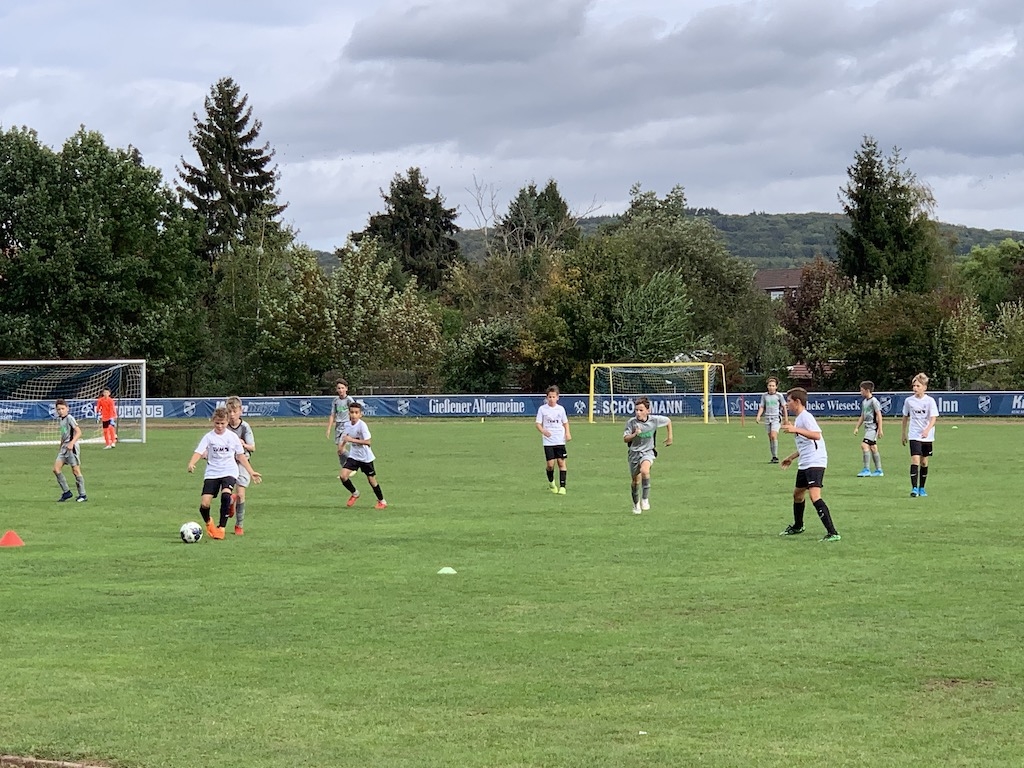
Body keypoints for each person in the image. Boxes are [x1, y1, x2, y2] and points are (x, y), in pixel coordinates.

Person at [187, 406, 262, 540]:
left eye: (223, 423)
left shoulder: (232, 437)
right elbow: (199, 451)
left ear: (227, 422)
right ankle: (209, 522)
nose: (220, 426)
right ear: (213, 421)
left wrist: (251, 472)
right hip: (212, 472)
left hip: (229, 471)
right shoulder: (209, 437)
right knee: (204, 504)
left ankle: (221, 528)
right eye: (217, 423)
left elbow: (240, 456)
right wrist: (192, 463)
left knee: (226, 495)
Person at [779, 388, 840, 542]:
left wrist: (794, 429)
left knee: (814, 496)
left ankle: (833, 533)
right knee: (798, 495)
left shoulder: (806, 417)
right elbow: (805, 445)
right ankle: (798, 526)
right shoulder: (799, 419)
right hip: (805, 462)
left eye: (789, 401)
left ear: (797, 402)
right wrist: (791, 458)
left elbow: (816, 435)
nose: (787, 404)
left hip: (815, 461)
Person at [622, 396, 673, 514]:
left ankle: (645, 499)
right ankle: (636, 504)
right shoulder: (631, 422)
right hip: (634, 453)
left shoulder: (654, 420)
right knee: (635, 482)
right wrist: (634, 434)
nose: (638, 413)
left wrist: (670, 437)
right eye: (636, 410)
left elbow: (668, 421)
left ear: (648, 411)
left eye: (641, 410)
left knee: (645, 471)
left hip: (648, 452)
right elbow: (625, 439)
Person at [339, 401, 388, 509]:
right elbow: (346, 436)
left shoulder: (362, 426)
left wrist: (352, 440)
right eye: (352, 412)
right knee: (343, 476)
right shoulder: (347, 425)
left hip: (366, 458)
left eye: (356, 412)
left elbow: (368, 442)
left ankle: (382, 501)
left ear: (360, 414)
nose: (354, 415)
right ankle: (355, 493)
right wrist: (341, 447)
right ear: (349, 413)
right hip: (354, 456)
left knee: (371, 480)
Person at [901, 372, 939, 498]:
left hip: (927, 436)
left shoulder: (930, 401)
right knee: (915, 459)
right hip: (914, 434)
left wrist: (927, 430)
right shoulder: (909, 401)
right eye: (914, 386)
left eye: (918, 386)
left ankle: (922, 487)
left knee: (924, 462)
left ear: (924, 387)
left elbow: (933, 418)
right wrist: (903, 433)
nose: (915, 388)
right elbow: (905, 417)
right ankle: (914, 488)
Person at [225, 396, 255, 536]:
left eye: (234, 411)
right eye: (229, 412)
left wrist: (243, 444)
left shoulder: (244, 427)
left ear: (240, 411)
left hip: (243, 461)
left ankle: (239, 525)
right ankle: (231, 501)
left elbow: (252, 447)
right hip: (227, 462)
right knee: (226, 494)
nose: (232, 415)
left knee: (241, 494)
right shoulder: (224, 426)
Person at [535, 385, 572, 494]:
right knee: (550, 465)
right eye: (550, 397)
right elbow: (538, 424)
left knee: (561, 462)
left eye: (553, 397)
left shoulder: (560, 409)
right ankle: (551, 482)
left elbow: (565, 422)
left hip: (559, 439)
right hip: (548, 441)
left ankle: (562, 487)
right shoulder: (542, 409)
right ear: (547, 398)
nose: (551, 399)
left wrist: (567, 433)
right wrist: (543, 431)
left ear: (557, 397)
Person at [54, 398, 87, 502]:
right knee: (56, 469)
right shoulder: (61, 420)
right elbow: (64, 434)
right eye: (58, 409)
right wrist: (61, 446)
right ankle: (67, 492)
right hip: (64, 448)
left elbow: (79, 432)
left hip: (72, 448)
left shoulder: (70, 418)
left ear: (67, 408)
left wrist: (72, 443)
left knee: (75, 470)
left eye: (62, 409)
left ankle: (83, 494)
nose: (61, 411)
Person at [853, 380, 884, 477]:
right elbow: (862, 416)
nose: (860, 392)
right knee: (873, 448)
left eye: (862, 390)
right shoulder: (864, 402)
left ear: (867, 390)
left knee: (864, 445)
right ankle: (879, 470)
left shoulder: (874, 401)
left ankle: (866, 469)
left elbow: (879, 415)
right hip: (867, 428)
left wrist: (880, 429)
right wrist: (857, 427)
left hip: (873, 427)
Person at [755, 377, 788, 463]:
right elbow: (762, 406)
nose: (771, 387)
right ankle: (773, 456)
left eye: (773, 386)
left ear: (776, 387)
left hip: (776, 418)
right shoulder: (764, 396)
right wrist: (758, 416)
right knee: (770, 438)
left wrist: (786, 419)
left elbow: (784, 406)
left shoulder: (779, 396)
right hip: (767, 418)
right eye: (770, 385)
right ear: (767, 386)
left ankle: (776, 457)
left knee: (774, 436)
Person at [326, 379, 357, 466]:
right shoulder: (335, 401)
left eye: (342, 388)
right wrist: (329, 429)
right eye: (339, 388)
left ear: (346, 388)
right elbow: (332, 415)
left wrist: (353, 425)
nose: (341, 390)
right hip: (338, 426)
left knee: (341, 449)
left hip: (346, 426)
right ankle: (346, 468)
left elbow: (355, 412)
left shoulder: (349, 400)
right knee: (340, 452)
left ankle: (355, 460)